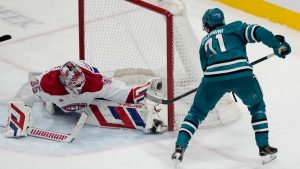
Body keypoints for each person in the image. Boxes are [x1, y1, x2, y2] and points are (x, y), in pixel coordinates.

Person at [171, 8, 291, 165]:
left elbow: (205, 68)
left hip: (212, 80)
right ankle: (264, 147)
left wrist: (218, 81)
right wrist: (277, 45)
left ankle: (179, 148)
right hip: (242, 76)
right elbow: (258, 31)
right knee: (257, 107)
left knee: (195, 113)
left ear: (207, 25)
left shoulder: (204, 41)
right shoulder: (235, 27)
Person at [5, 60, 167, 139]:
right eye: (76, 86)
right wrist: (16, 124)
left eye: (81, 84)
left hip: (88, 99)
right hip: (58, 102)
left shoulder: (94, 82)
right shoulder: (45, 84)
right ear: (64, 81)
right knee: (53, 109)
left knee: (103, 100)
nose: (79, 88)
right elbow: (22, 98)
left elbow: (124, 93)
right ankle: (51, 104)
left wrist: (146, 92)